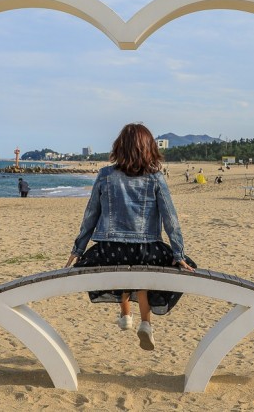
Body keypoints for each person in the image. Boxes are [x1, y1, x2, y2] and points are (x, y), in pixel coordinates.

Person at [65, 123, 195, 351]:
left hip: (109, 250)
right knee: (142, 270)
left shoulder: (105, 175)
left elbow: (91, 214)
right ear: (149, 149)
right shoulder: (155, 178)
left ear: (120, 147)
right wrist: (178, 253)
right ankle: (146, 323)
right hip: (146, 249)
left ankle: (126, 315)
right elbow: (170, 218)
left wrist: (78, 250)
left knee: (123, 265)